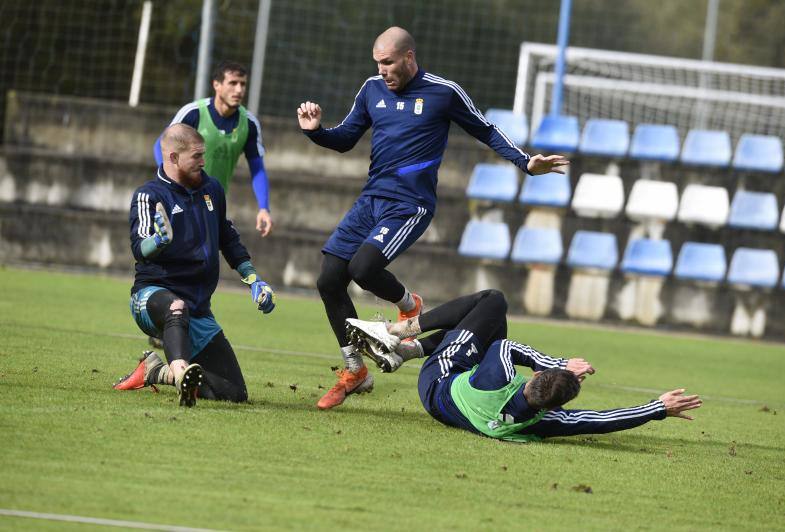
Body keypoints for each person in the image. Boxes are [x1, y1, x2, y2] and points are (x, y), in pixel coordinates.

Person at [297, 27, 569, 410]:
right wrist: (316, 133)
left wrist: (526, 162)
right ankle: (354, 370)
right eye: (377, 63)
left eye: (388, 62)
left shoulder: (444, 92)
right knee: (328, 280)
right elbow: (345, 139)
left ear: (409, 57)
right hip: (371, 200)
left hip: (410, 205)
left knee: (363, 267)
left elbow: (486, 129)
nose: (382, 70)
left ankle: (410, 305)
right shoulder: (371, 89)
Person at [345, 290, 702, 441]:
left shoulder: (498, 374)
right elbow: (601, 421)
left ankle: (395, 333)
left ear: (539, 376)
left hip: (437, 381)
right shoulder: (547, 420)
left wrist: (561, 362)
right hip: (443, 411)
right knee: (476, 331)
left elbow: (505, 345)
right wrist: (658, 408)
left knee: (491, 302)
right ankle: (401, 353)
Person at [114, 124, 276, 407]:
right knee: (176, 306)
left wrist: (253, 280)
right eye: (197, 156)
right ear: (174, 157)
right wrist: (158, 241)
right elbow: (140, 249)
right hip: (152, 299)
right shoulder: (149, 195)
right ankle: (180, 375)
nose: (204, 162)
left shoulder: (212, 189)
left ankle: (157, 371)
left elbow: (228, 238)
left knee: (234, 394)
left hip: (199, 310)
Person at [154, 61, 273, 238]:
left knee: (206, 260)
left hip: (212, 203)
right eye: (233, 83)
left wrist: (264, 207)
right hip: (179, 197)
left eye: (243, 84)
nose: (239, 90)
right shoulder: (193, 113)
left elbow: (257, 168)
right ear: (216, 85)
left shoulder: (249, 123)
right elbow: (160, 147)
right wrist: (173, 183)